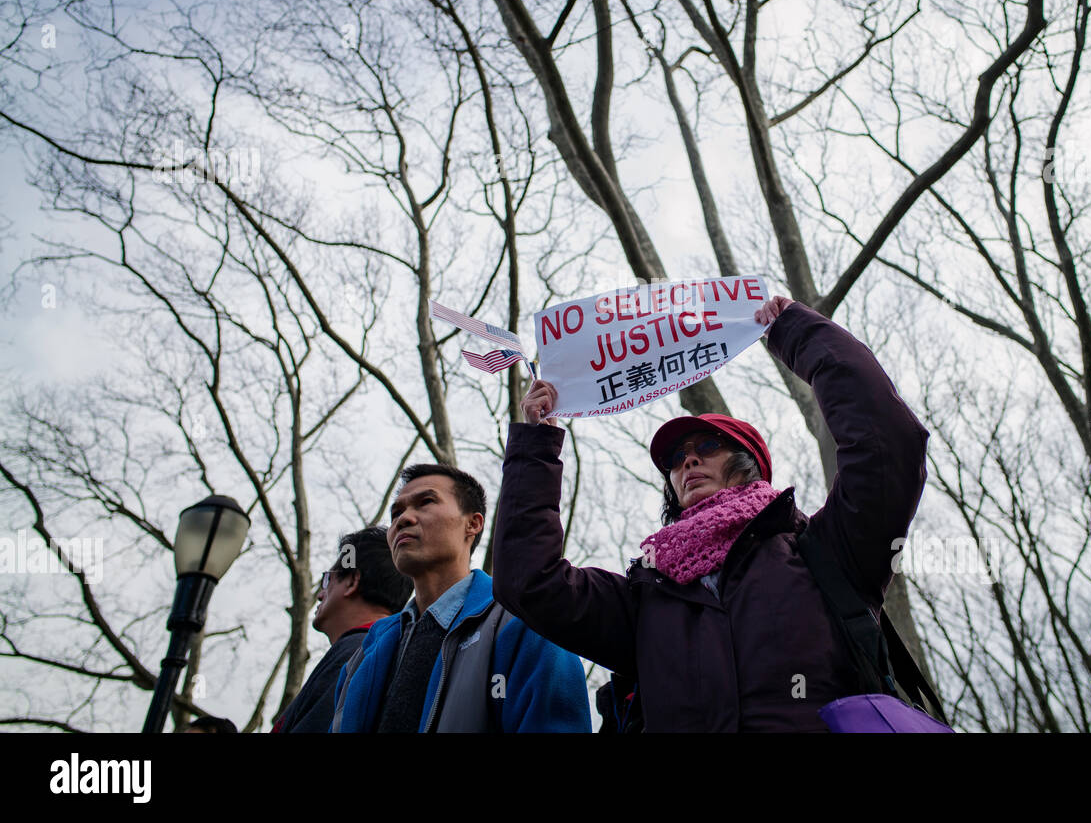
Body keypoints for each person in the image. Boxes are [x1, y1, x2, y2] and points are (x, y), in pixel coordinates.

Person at [492, 296, 930, 731]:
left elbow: (887, 445)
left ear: (749, 463)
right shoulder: (646, 598)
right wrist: (536, 448)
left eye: (706, 447)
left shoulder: (828, 551)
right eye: (677, 460)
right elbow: (531, 582)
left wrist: (799, 332)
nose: (688, 462)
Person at [331, 463, 591, 733]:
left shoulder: (525, 621)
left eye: (426, 502)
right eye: (396, 512)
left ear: (473, 524)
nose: (403, 519)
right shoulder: (369, 648)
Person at [272, 527, 411, 733]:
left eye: (326, 580)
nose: (320, 594)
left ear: (352, 581)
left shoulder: (356, 655)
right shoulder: (393, 655)